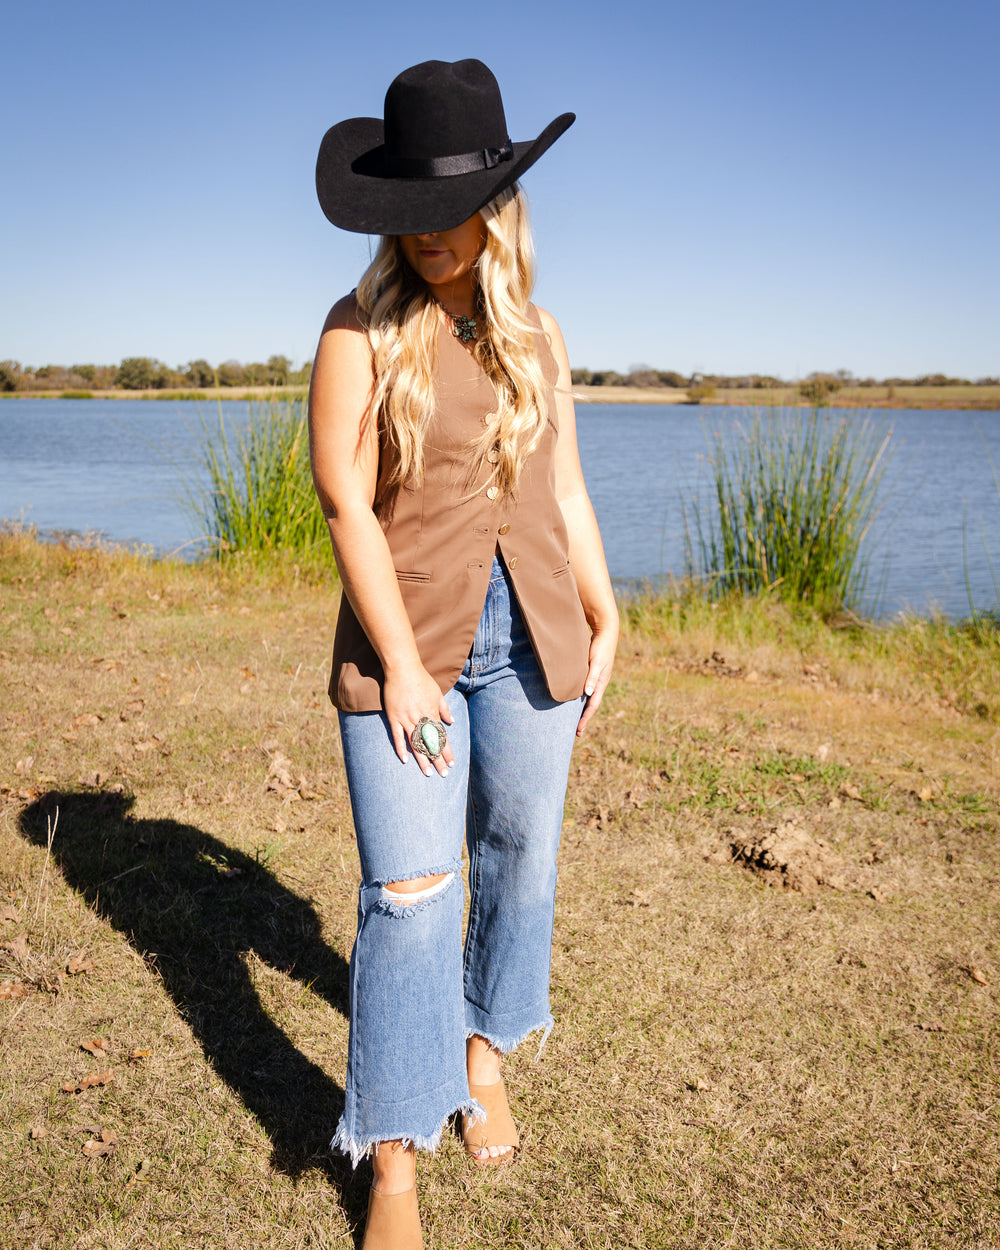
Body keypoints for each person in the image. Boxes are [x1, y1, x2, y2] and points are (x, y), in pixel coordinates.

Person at [308, 59, 618, 1250]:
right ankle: (393, 1156)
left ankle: (480, 1050)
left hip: (535, 635)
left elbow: (568, 491)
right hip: (413, 644)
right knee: (409, 896)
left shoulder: (538, 335)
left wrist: (605, 610)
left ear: (498, 198)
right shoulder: (356, 329)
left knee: (519, 857)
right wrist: (399, 661)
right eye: (413, 211)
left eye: (456, 204)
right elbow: (344, 500)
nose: (433, 232)